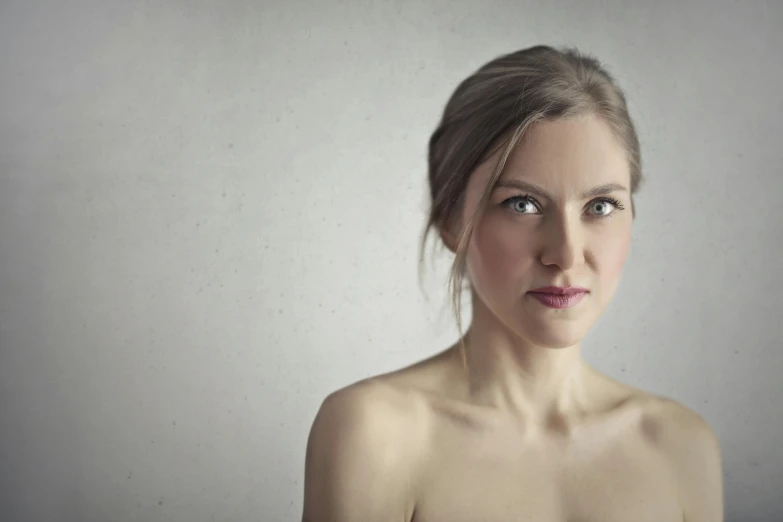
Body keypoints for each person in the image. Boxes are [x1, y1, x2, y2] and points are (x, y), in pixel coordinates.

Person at [301, 45, 723, 522]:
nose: (566, 253)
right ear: (451, 221)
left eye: (600, 206)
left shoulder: (681, 446)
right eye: (523, 204)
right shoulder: (373, 434)